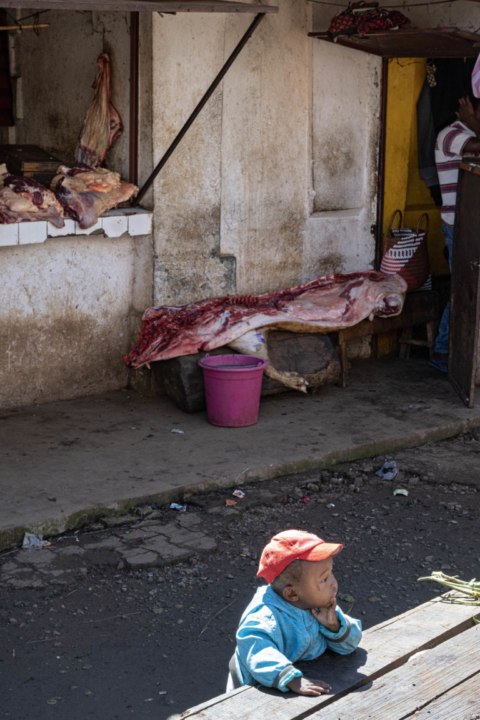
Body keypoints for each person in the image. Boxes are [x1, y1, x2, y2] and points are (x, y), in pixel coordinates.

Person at [227, 530, 362, 695]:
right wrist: (292, 679)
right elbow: (257, 653)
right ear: (291, 593)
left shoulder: (318, 604)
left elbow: (350, 646)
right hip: (253, 686)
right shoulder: (265, 617)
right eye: (324, 579)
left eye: (331, 573)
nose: (334, 583)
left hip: (305, 668)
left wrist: (335, 627)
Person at [431, 96, 480, 372]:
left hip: (471, 222)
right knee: (463, 287)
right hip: (458, 225)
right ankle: (442, 349)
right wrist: (470, 121)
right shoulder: (451, 135)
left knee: (470, 287)